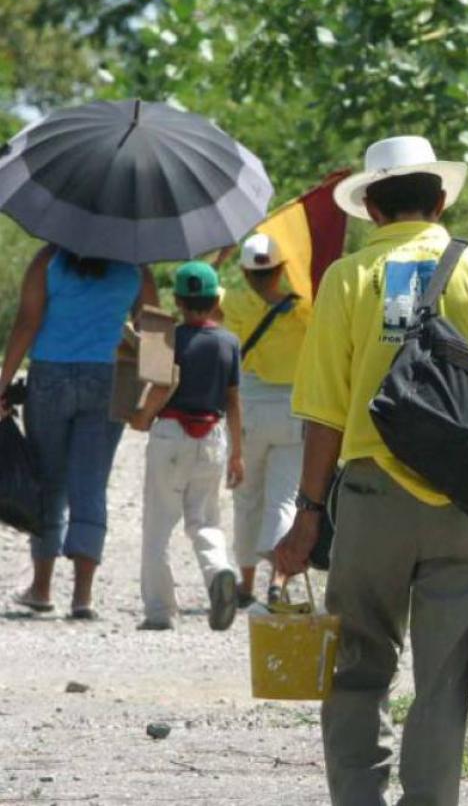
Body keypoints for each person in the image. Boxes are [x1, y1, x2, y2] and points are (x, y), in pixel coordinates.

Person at [274, 135, 468, 806]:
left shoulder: (346, 279)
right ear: (440, 199)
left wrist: (308, 517)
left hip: (372, 500)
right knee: (446, 676)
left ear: (370, 207)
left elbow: (323, 417)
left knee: (357, 665)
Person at [0, 246, 156, 619]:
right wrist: (151, 395)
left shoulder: (47, 261)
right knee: (91, 483)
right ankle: (82, 597)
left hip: (50, 375)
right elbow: (155, 329)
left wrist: (3, 382)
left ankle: (41, 587)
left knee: (50, 482)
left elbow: (27, 323)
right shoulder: (137, 266)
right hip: (109, 378)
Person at [130, 261, 244, 632]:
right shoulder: (229, 342)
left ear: (177, 300)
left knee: (159, 524)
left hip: (170, 434)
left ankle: (161, 612)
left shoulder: (167, 339)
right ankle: (220, 571)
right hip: (212, 436)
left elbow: (161, 387)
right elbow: (233, 401)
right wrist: (238, 453)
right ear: (215, 301)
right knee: (205, 520)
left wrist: (142, 416)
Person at [220, 233, 310, 607]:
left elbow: (198, 291)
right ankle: (279, 578)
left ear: (244, 270)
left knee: (247, 499)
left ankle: (245, 583)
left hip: (249, 407)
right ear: (281, 269)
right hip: (293, 408)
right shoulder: (305, 309)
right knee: (284, 499)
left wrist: (220, 256)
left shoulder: (232, 303)